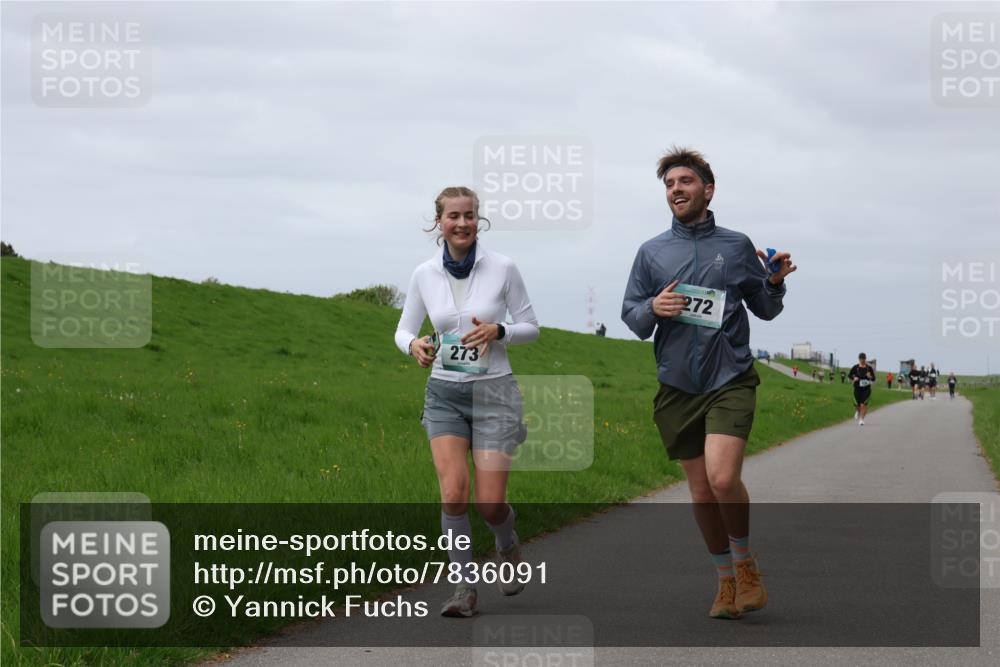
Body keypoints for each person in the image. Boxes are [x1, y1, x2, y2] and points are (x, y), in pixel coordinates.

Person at [621, 147, 795, 620]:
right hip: (677, 384)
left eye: (685, 182)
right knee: (700, 491)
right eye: (669, 184)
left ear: (708, 189)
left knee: (722, 477)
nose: (676, 189)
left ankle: (745, 566)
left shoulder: (736, 245)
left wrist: (775, 283)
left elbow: (765, 307)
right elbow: (633, 317)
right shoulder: (651, 252)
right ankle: (724, 581)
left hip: (729, 376)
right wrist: (652, 309)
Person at [395, 186, 539, 617]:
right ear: (438, 222)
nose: (462, 223)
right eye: (453, 216)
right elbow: (403, 330)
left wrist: (500, 331)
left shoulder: (503, 268)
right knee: (454, 494)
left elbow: (531, 325)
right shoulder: (424, 274)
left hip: (495, 393)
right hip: (444, 395)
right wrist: (414, 346)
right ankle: (463, 589)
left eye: (470, 215)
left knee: (489, 503)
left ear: (480, 220)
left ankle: (507, 545)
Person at [849, 353, 876, 425]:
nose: (862, 360)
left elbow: (873, 379)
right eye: (861, 359)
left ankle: (861, 419)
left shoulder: (869, 368)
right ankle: (858, 411)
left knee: (863, 404)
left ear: (865, 359)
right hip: (857, 387)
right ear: (859, 359)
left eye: (863, 359)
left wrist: (870, 377)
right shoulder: (855, 367)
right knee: (856, 404)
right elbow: (849, 375)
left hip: (866, 388)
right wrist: (854, 378)